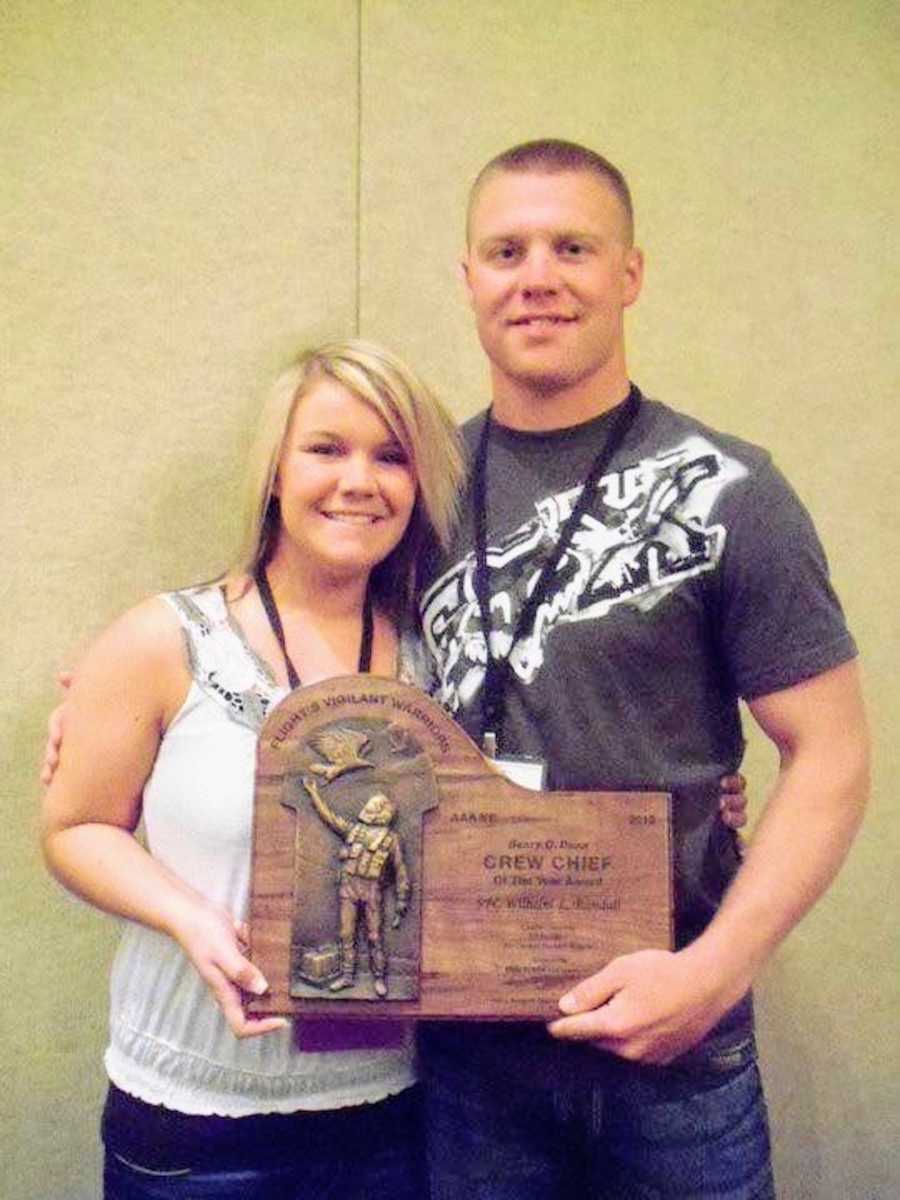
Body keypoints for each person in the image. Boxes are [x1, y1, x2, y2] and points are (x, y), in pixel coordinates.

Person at [416, 140, 869, 1199]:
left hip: (675, 1054)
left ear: (630, 274)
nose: (538, 276)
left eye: (573, 246)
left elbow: (834, 754)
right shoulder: (417, 487)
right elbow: (294, 631)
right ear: (469, 277)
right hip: (464, 1057)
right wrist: (133, 681)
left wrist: (714, 976)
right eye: (507, 249)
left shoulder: (730, 490)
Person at [40, 339, 465, 1199]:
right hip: (194, 1121)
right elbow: (76, 828)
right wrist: (191, 920)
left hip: (390, 1113)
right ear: (274, 471)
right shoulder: (168, 638)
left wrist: (697, 802)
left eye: (392, 457)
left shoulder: (443, 659)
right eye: (326, 449)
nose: (359, 480)